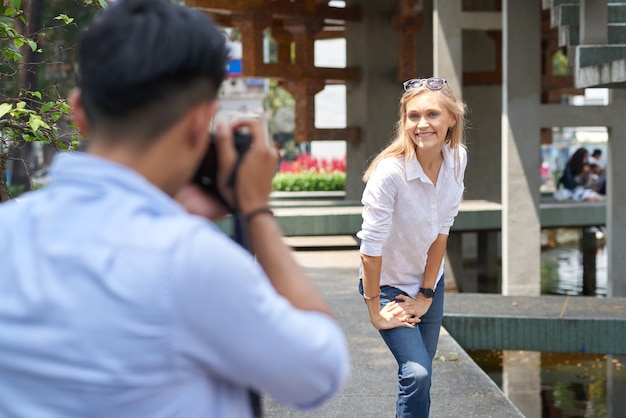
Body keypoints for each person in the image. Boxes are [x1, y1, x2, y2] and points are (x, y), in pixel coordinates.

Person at [0, 1, 349, 417]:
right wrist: (256, 212)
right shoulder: (190, 260)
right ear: (201, 122)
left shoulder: (10, 230)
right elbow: (319, 372)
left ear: (78, 112)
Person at [357, 77, 467, 417]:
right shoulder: (390, 173)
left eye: (432, 114)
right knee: (416, 372)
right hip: (387, 285)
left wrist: (426, 294)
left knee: (424, 373)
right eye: (413, 116)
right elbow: (370, 249)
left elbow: (442, 231)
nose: (422, 124)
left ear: (452, 118)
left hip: (427, 282)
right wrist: (375, 312)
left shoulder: (457, 158)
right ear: (404, 121)